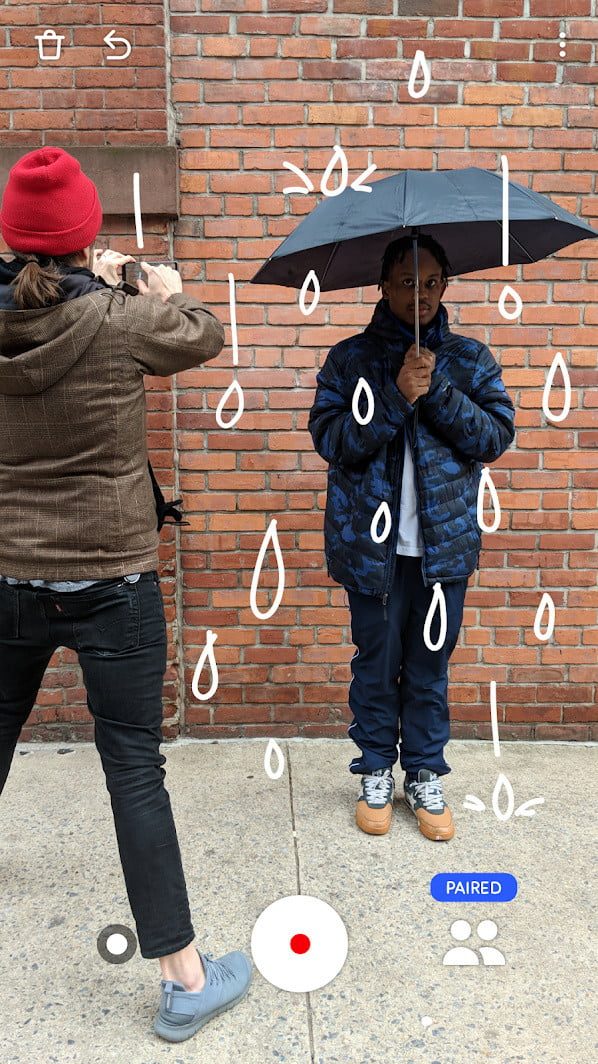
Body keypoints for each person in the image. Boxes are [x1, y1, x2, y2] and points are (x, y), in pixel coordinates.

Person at [0, 146, 252, 1042]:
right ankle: (185, 979)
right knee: (134, 773)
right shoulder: (119, 318)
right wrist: (147, 278)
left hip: (10, 577)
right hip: (113, 582)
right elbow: (203, 332)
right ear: (85, 236)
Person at [308, 234, 516, 841]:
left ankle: (424, 773)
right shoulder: (350, 360)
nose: (419, 294)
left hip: (441, 552)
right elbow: (332, 440)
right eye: (406, 282)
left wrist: (439, 391)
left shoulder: (470, 360)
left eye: (430, 283)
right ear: (383, 285)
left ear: (444, 285)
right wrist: (397, 395)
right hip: (370, 552)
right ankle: (375, 769)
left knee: (429, 668)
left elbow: (494, 437)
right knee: (376, 665)